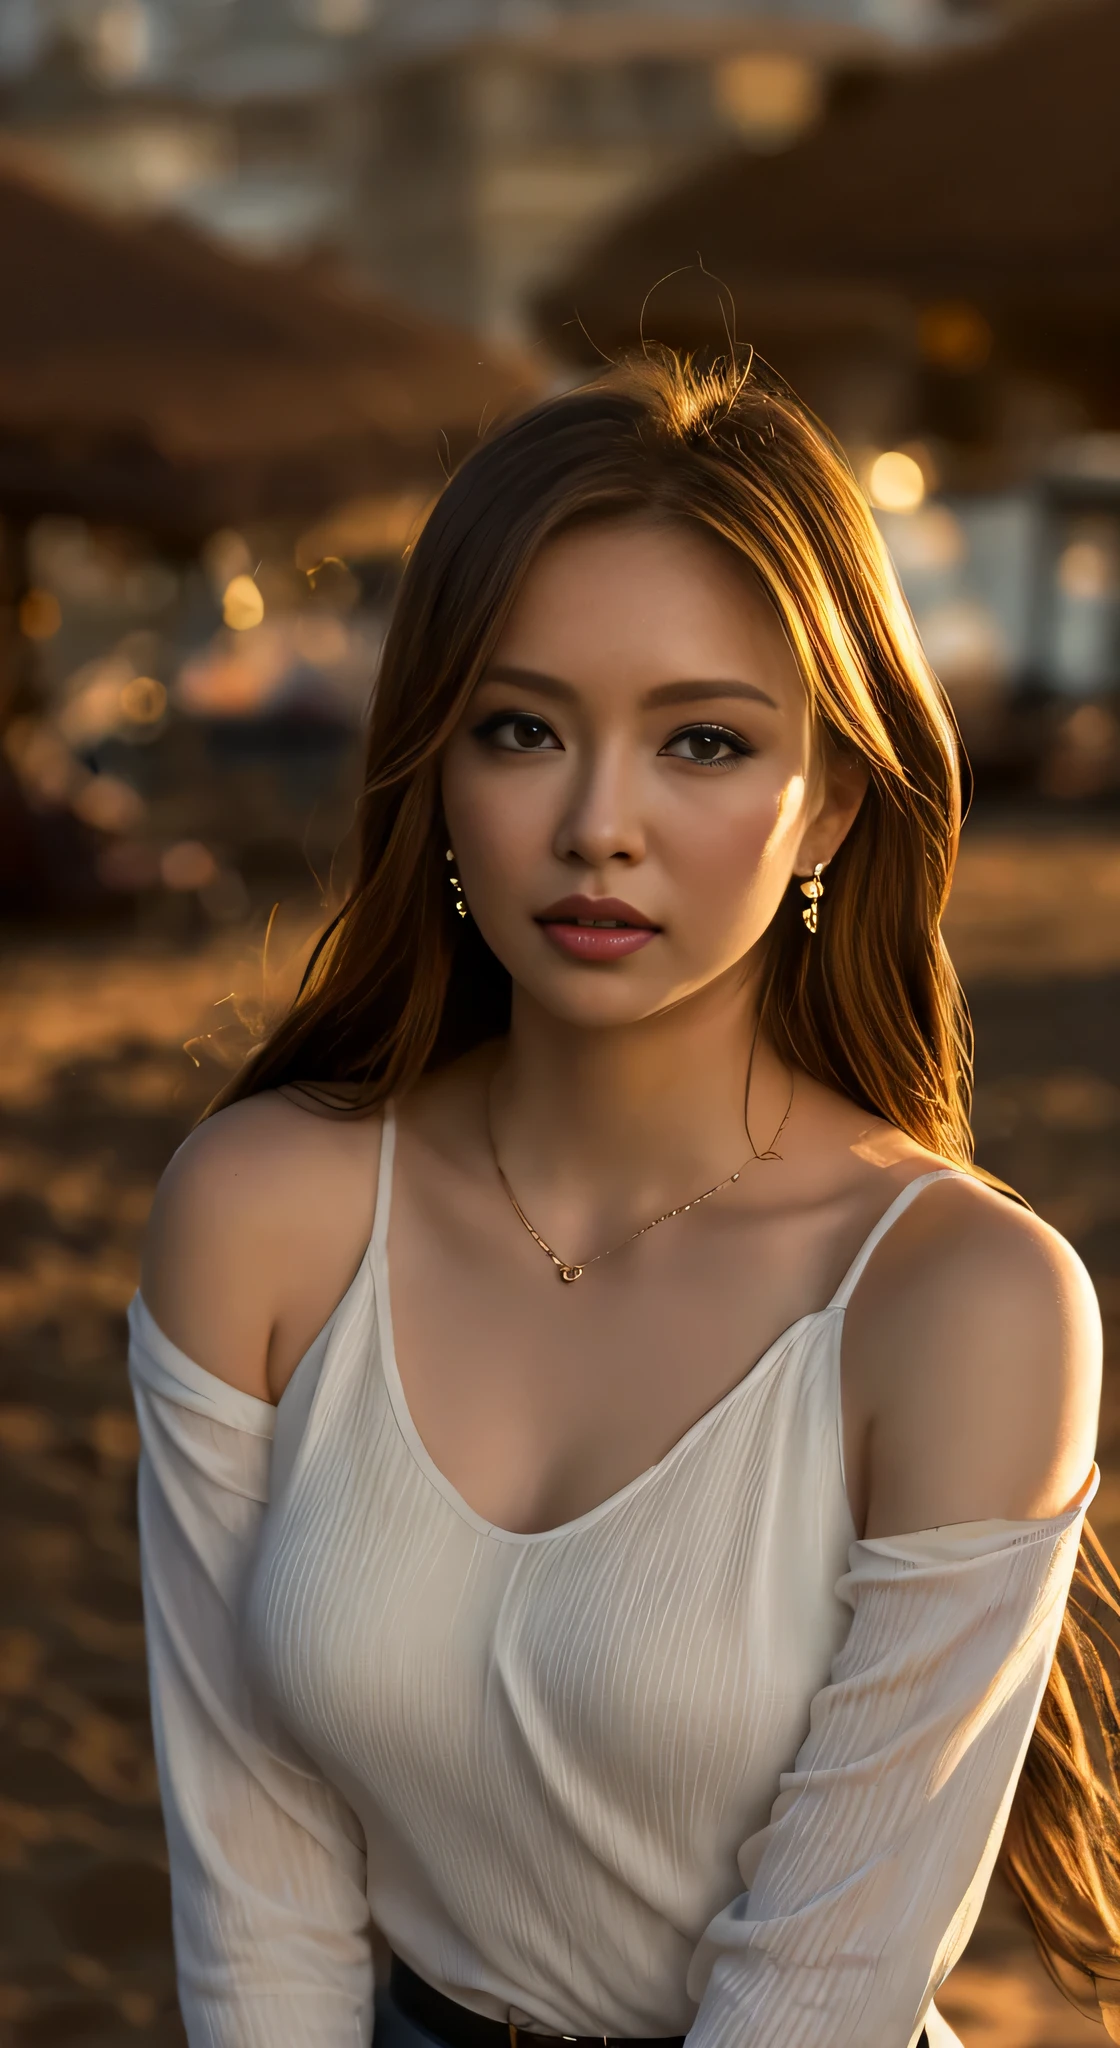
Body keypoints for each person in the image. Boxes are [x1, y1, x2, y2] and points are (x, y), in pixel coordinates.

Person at [130, 353, 1120, 2048]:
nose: (599, 826)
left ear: (827, 805)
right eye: (523, 731)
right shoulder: (264, 1211)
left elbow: (814, 1999)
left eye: (704, 743)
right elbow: (262, 1898)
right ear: (436, 766)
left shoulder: (964, 1303)